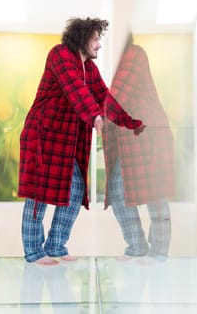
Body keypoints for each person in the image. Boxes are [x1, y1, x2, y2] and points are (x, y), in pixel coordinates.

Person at [18, 18, 145, 265]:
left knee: (75, 191)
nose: (99, 45)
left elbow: (105, 99)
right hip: (43, 134)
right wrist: (94, 115)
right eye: (96, 39)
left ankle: (55, 245)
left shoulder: (91, 70)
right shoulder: (60, 55)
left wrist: (131, 123)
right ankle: (33, 252)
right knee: (38, 194)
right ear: (82, 37)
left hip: (66, 141)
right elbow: (75, 88)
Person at [103, 35, 175, 262]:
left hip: (148, 131)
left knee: (156, 194)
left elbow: (116, 97)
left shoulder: (133, 53)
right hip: (129, 136)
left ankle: (159, 253)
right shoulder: (111, 62)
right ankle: (137, 246)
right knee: (116, 190)